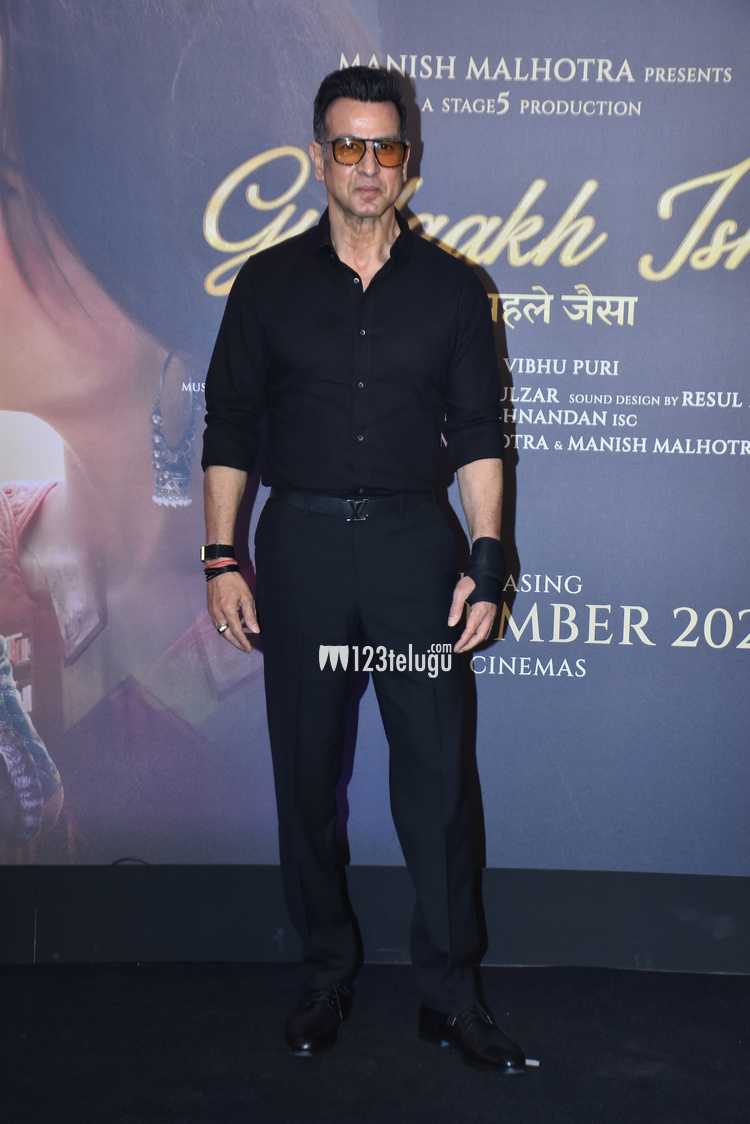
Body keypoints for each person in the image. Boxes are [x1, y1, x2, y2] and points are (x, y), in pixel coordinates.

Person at [201, 65, 527, 1074]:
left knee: (437, 782)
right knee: (308, 777)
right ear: (319, 157)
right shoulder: (267, 285)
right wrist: (222, 554)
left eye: (386, 147)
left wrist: (486, 558)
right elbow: (230, 427)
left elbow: (480, 434)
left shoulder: (454, 291)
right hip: (300, 552)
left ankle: (451, 996)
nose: (369, 164)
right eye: (349, 145)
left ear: (408, 161)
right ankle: (324, 974)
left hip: (412, 556)